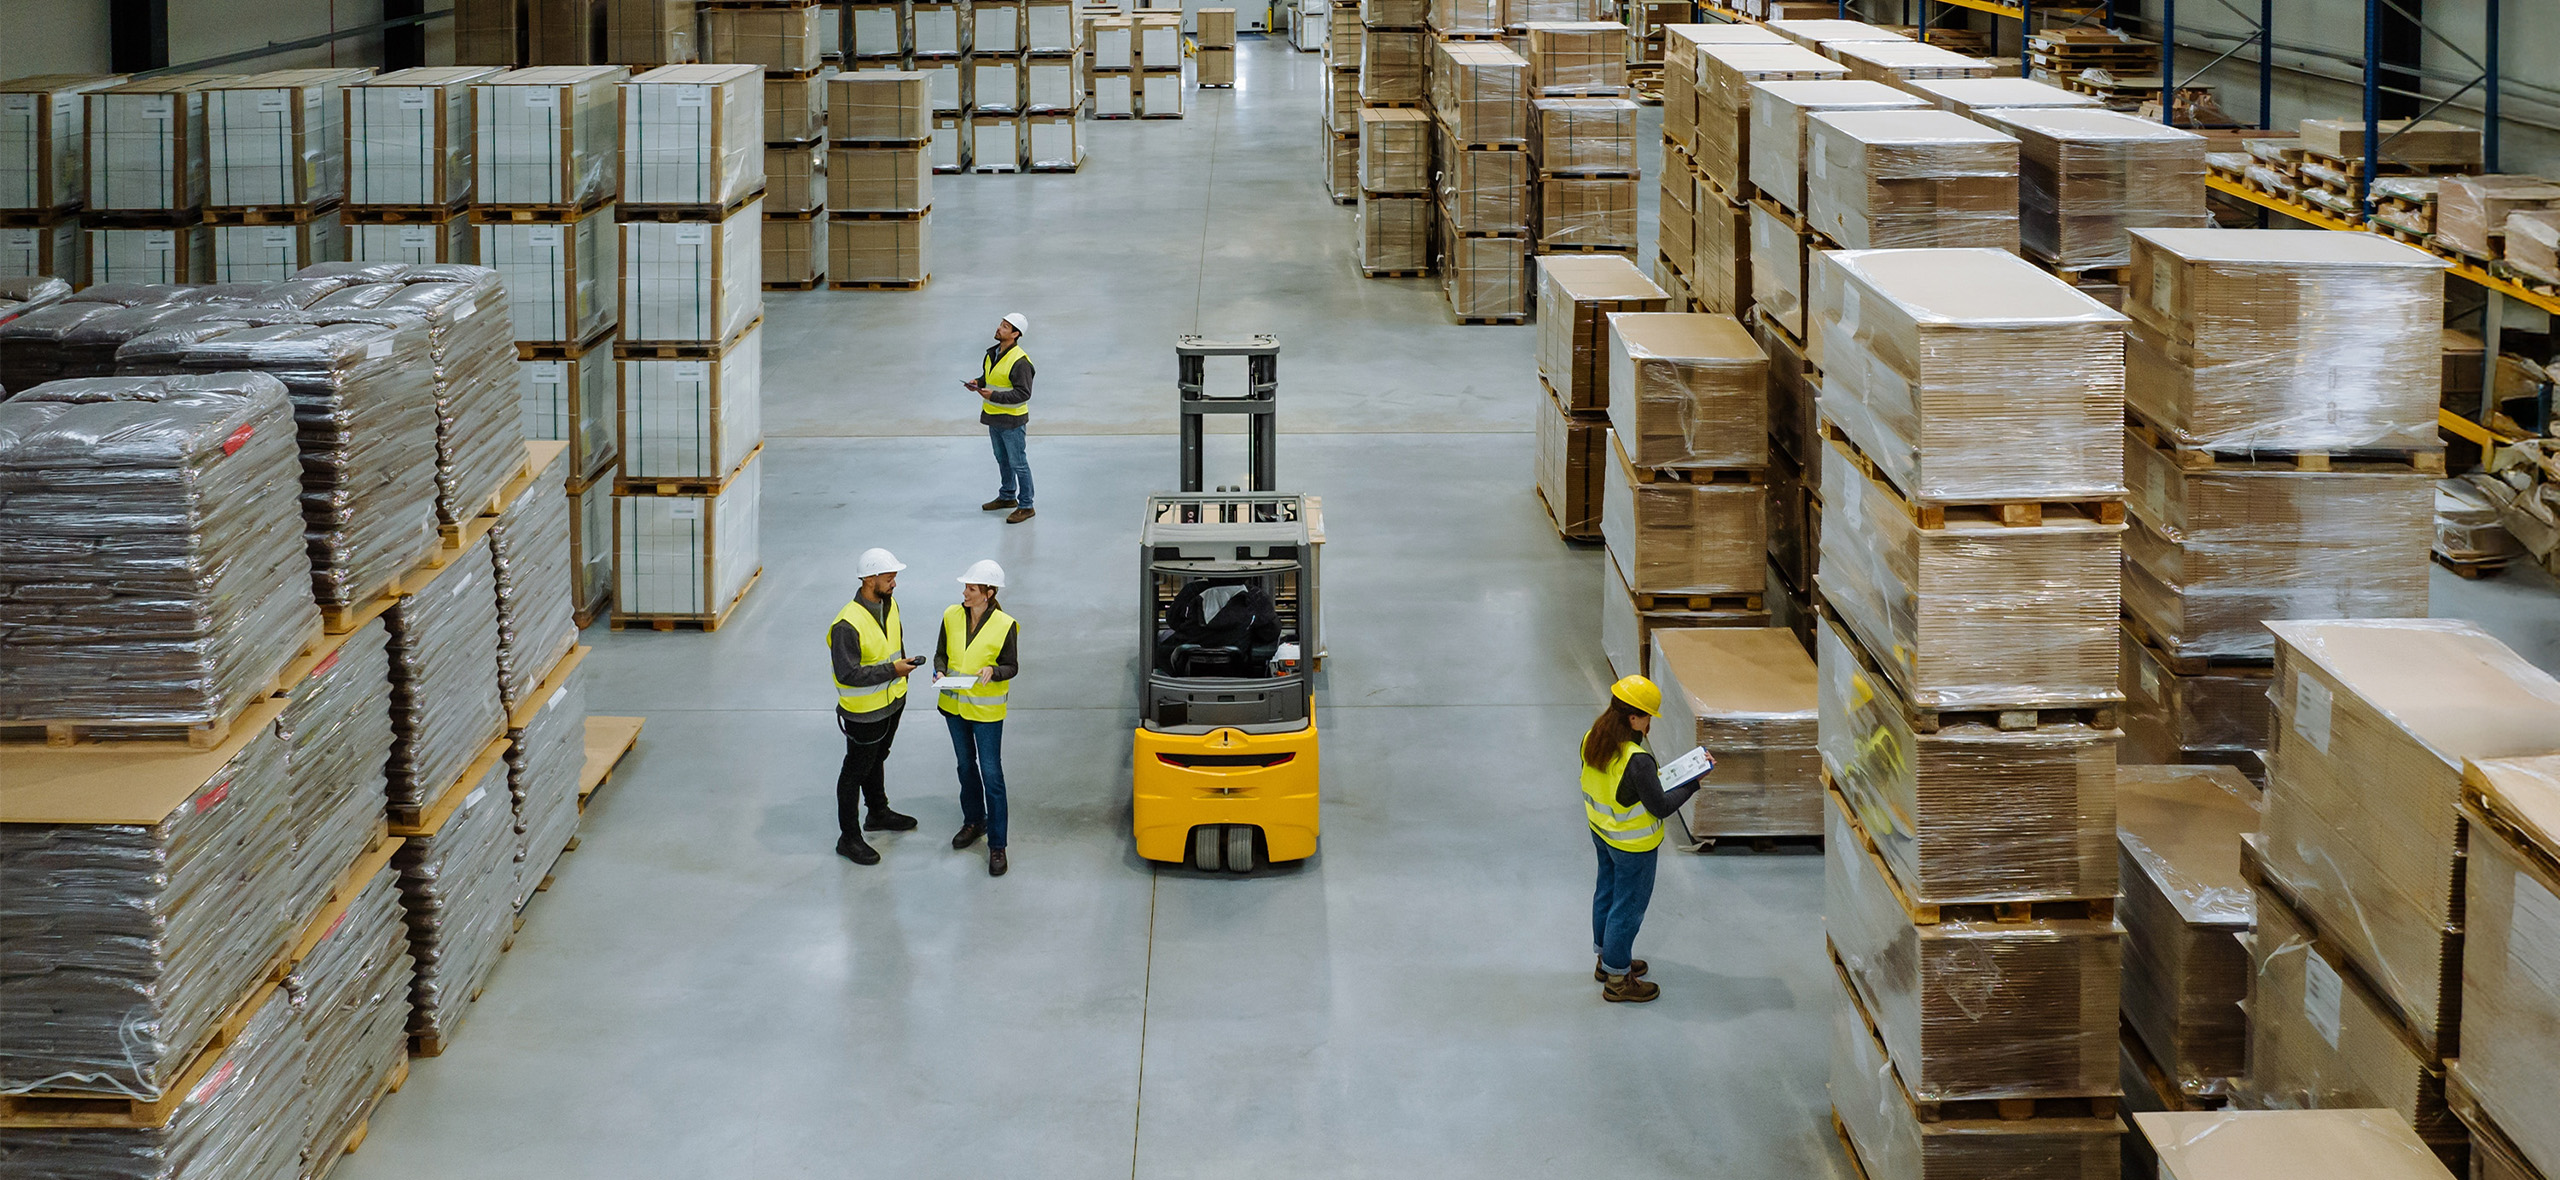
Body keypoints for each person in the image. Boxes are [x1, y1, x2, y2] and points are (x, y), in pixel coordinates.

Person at [1581, 675, 1706, 1003]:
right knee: (1627, 908)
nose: (1650, 723)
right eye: (1648, 716)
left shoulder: (1593, 738)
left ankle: (1607, 961)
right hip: (1632, 847)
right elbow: (1661, 806)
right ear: (1633, 718)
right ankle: (1618, 980)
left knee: (1607, 894)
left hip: (1602, 833)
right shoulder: (1637, 760)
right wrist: (1693, 782)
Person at [827, 548, 924, 864]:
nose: (894, 583)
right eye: (889, 577)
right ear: (870, 579)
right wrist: (893, 670)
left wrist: (902, 670)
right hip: (864, 713)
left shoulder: (889, 604)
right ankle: (848, 838)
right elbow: (848, 673)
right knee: (854, 771)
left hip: (892, 702)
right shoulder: (847, 624)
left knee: (877, 758)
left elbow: (895, 645)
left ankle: (878, 812)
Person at [936, 559, 1020, 877]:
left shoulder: (1005, 624)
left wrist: (993, 671)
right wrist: (939, 671)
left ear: (988, 593)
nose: (965, 593)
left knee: (992, 775)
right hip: (954, 707)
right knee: (965, 767)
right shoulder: (951, 615)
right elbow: (941, 653)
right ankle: (974, 821)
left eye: (971, 589)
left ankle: (997, 844)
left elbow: (1012, 666)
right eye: (965, 587)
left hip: (986, 712)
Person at [964, 312, 1037, 524]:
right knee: (1002, 459)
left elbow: (1023, 393)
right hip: (994, 417)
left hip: (1012, 421)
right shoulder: (991, 353)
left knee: (1018, 463)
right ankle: (1007, 496)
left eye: (1005, 327)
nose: (999, 328)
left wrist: (993, 396)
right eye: (1001, 324)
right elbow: (990, 378)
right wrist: (978, 382)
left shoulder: (1020, 361)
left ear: (1015, 334)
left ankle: (1026, 505)